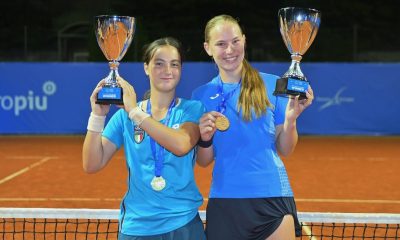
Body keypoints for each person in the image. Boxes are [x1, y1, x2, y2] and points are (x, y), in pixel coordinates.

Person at [191, 14, 314, 240]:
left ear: (244, 41)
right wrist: (205, 138)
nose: (230, 50)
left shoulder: (273, 84)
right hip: (225, 199)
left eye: (235, 41)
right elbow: (204, 160)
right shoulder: (200, 96)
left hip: (272, 197)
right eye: (221, 44)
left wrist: (291, 120)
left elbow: (285, 149)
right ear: (208, 48)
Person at [83, 37, 206, 240]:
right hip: (137, 228)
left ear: (181, 69)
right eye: (159, 63)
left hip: (183, 225)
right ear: (146, 68)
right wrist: (97, 116)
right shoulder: (124, 117)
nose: (168, 70)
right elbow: (91, 164)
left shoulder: (191, 109)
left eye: (174, 64)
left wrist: (135, 113)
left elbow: (182, 144)